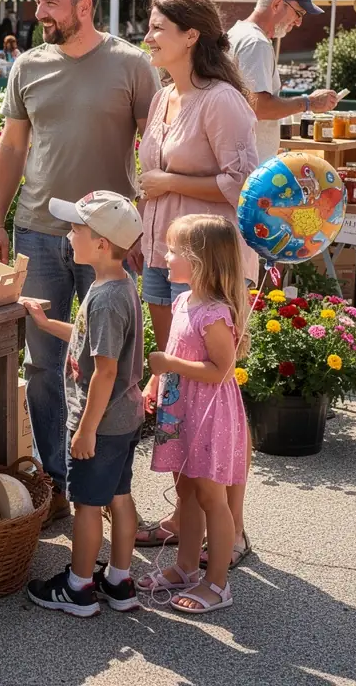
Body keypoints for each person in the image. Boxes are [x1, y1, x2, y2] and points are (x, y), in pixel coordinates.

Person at [0, 0, 159, 522]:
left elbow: (154, 152)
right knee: (43, 364)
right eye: (39, 3)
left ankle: (108, 489)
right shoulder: (28, 66)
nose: (38, 13)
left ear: (84, 7)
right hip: (38, 230)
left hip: (108, 241)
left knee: (110, 363)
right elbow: (12, 149)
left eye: (50, 4)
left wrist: (142, 231)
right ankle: (58, 483)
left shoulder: (132, 65)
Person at [134, 0, 257, 557]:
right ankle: (189, 517)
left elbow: (242, 184)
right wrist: (140, 233)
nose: (150, 34)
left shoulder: (222, 100)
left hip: (213, 266)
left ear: (191, 37)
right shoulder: (164, 98)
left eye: (160, 27)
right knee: (180, 387)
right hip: (163, 256)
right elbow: (150, 180)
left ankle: (230, 528)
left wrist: (171, 185)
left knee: (218, 386)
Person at [22, 191, 146, 617]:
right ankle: (119, 580)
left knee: (87, 506)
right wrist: (43, 323)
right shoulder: (115, 285)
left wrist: (85, 428)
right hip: (124, 419)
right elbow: (84, 344)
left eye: (76, 228)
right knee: (120, 497)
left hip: (102, 424)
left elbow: (105, 372)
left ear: (102, 244)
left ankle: (77, 588)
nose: (68, 234)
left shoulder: (106, 300)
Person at [138, 214, 250, 615]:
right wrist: (155, 382)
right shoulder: (185, 301)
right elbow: (172, 352)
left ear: (200, 261)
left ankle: (217, 583)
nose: (165, 257)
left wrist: (169, 364)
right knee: (184, 488)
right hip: (180, 407)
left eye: (173, 251)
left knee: (209, 495)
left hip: (208, 412)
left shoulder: (215, 313)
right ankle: (185, 566)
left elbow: (221, 370)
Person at [228, 0, 337, 160]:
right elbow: (259, 107)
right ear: (277, 4)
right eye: (299, 13)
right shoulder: (256, 42)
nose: (299, 22)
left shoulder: (238, 33)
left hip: (238, 159)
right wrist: (309, 102)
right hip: (248, 165)